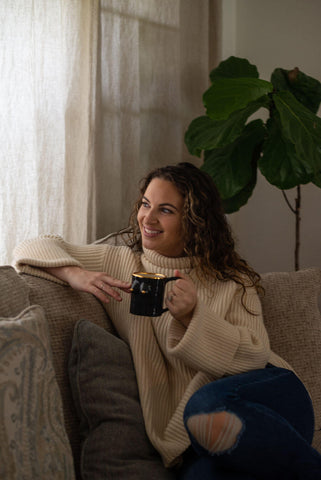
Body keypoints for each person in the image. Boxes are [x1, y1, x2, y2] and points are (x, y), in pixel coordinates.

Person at [13, 162, 321, 479]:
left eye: (166, 210)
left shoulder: (231, 280)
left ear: (195, 221)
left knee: (204, 406)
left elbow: (254, 356)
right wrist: (75, 274)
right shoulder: (120, 262)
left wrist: (192, 317)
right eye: (146, 204)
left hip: (269, 397)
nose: (148, 218)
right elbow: (31, 246)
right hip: (193, 438)